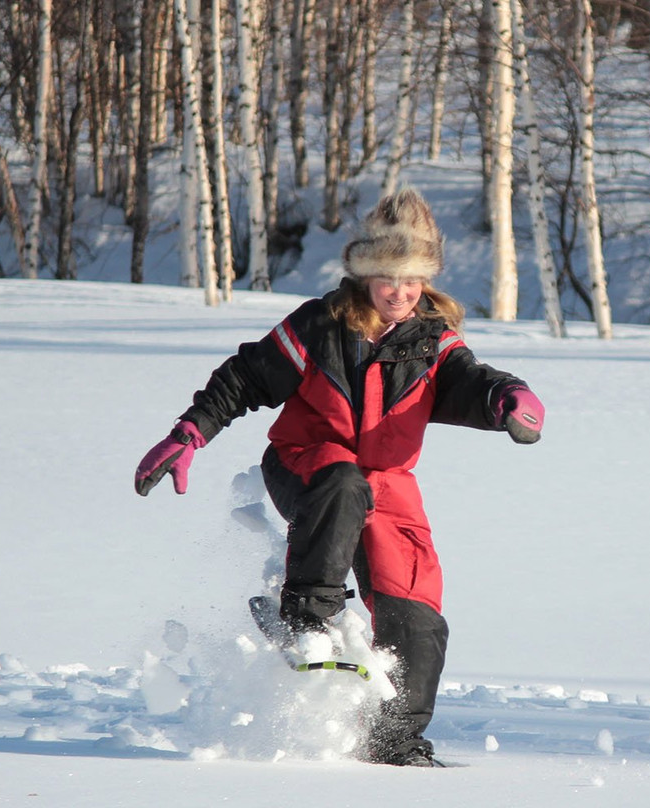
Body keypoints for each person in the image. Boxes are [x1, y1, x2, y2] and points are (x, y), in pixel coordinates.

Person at [134, 188, 545, 767]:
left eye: (412, 279)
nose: (399, 292)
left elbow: (471, 382)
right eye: (386, 277)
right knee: (343, 477)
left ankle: (395, 739)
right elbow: (245, 376)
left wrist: (507, 396)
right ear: (363, 273)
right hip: (306, 462)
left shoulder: (434, 342)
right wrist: (190, 432)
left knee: (417, 609)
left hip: (389, 482)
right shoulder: (319, 325)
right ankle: (303, 615)